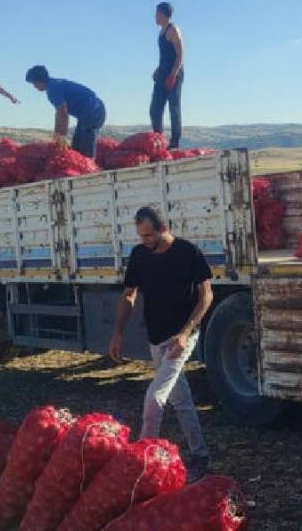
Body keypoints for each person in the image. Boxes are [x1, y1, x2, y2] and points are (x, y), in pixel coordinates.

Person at [108, 206, 212, 480]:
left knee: (155, 398)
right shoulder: (140, 255)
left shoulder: (189, 252)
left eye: (149, 235)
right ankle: (200, 455)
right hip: (156, 338)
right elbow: (129, 295)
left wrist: (186, 332)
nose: (144, 241)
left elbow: (206, 297)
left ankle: (139, 463)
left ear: (164, 229)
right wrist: (118, 332)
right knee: (181, 400)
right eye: (141, 236)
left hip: (181, 337)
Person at [25, 65, 106, 159]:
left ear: (39, 81)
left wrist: (62, 137)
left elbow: (63, 114)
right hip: (87, 114)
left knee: (85, 146)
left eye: (34, 83)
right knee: (76, 147)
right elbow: (59, 114)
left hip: (95, 111)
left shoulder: (53, 89)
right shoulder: (53, 85)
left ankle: (90, 169)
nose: (34, 87)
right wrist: (57, 134)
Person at [150, 1, 185, 149]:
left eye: (157, 13)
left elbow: (180, 55)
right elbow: (165, 55)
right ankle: (159, 141)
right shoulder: (161, 32)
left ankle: (175, 142)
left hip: (174, 73)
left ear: (163, 14)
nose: (155, 16)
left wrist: (173, 75)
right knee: (155, 109)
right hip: (162, 73)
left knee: (173, 108)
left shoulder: (173, 30)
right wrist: (158, 70)